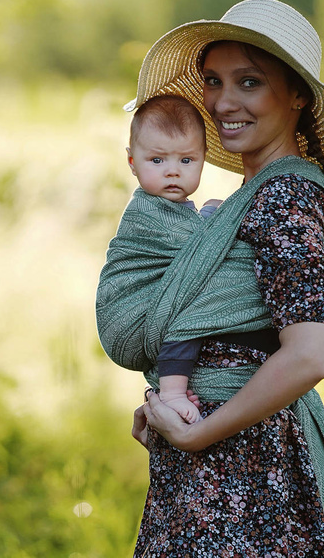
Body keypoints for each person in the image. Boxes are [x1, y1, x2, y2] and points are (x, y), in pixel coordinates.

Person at [96, 0, 324, 557]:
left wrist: (199, 430)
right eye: (212, 80)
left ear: (297, 96)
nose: (223, 102)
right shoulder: (246, 199)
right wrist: (172, 398)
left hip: (247, 477)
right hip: (216, 466)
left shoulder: (286, 196)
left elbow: (308, 355)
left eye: (249, 82)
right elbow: (233, 336)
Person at [123, 94, 222, 424]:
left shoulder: (176, 209)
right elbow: (200, 247)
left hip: (156, 306)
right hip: (134, 309)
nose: (172, 172)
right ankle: (173, 392)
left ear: (203, 160)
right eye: (157, 160)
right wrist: (213, 212)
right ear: (132, 162)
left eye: (186, 161)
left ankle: (176, 383)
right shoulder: (147, 211)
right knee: (188, 315)